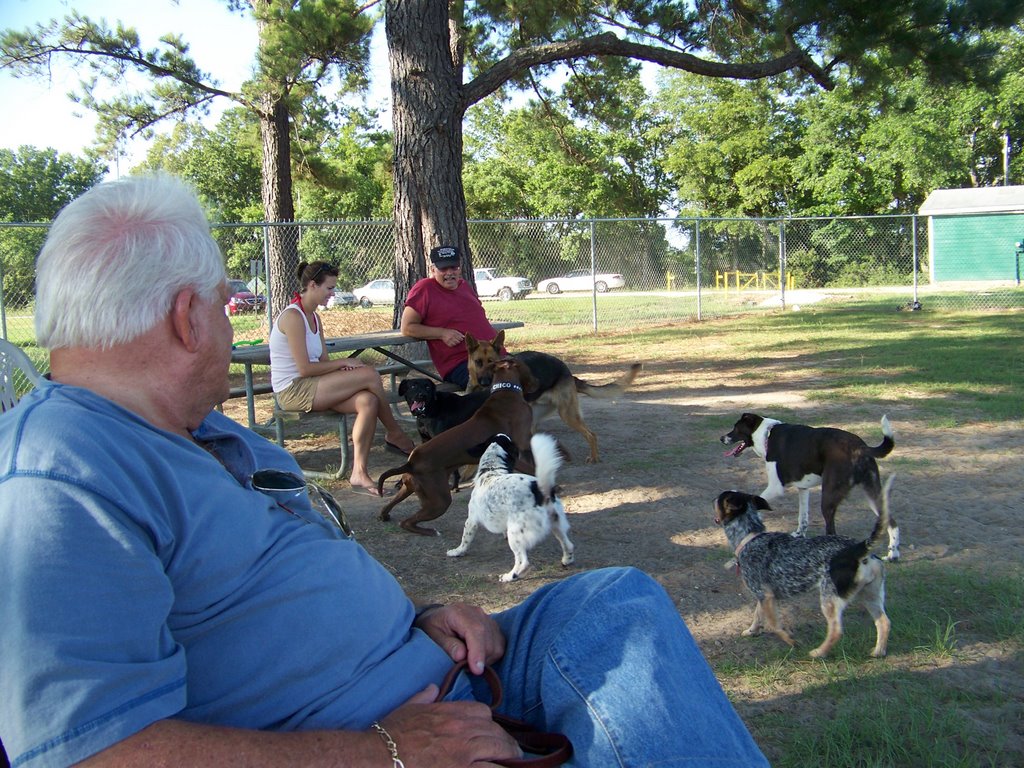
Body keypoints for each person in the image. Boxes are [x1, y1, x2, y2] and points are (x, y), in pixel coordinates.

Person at [0, 175, 768, 768]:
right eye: (222, 308)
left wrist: (421, 608)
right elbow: (94, 751)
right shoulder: (60, 477)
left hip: (436, 661)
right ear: (187, 317)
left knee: (617, 602)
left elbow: (293, 572)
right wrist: (388, 752)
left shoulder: (198, 433)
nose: (228, 324)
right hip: (371, 728)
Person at [270, 260, 415, 495]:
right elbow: (305, 369)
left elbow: (323, 364)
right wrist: (346, 363)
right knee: (368, 373)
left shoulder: (314, 317)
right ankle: (394, 432)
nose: (333, 293)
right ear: (312, 285)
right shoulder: (293, 317)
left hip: (313, 385)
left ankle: (359, 472)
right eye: (329, 288)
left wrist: (341, 371)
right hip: (293, 390)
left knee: (368, 401)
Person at [400, 245, 505, 389]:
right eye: (443, 269)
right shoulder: (424, 289)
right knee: (504, 384)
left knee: (534, 371)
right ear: (432, 270)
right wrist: (442, 333)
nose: (449, 273)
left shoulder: (465, 286)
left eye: (454, 268)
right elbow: (407, 327)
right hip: (463, 362)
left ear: (459, 268)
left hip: (495, 356)